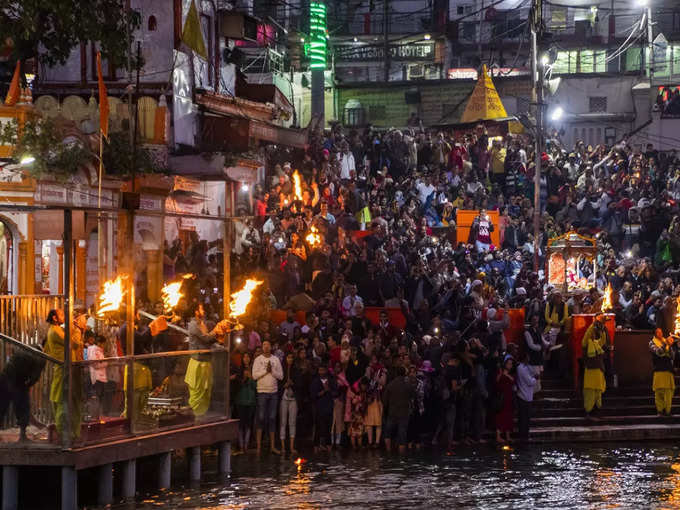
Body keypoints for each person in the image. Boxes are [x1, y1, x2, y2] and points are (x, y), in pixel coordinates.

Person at [44, 308, 83, 441]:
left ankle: (74, 434)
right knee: (62, 402)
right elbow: (75, 344)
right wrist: (78, 329)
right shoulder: (54, 331)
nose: (64, 316)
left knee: (74, 402)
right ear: (54, 318)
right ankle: (65, 435)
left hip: (69, 370)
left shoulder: (57, 330)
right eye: (61, 314)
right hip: (63, 371)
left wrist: (73, 326)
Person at [185, 303, 227, 417]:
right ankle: (195, 417)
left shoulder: (203, 323)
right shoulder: (193, 325)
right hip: (198, 363)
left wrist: (219, 336)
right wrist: (216, 330)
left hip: (206, 362)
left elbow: (210, 340)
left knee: (205, 392)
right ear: (196, 312)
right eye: (201, 309)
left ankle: (201, 416)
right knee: (198, 391)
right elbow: (206, 338)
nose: (204, 311)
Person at [0, 344, 46, 442]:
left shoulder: (23, 348)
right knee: (23, 407)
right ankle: (22, 436)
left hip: (4, 376)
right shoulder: (42, 357)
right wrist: (27, 386)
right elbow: (35, 377)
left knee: (1, 407)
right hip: (18, 380)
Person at [252, 340, 284, 454]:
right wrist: (266, 371)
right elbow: (254, 376)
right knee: (260, 418)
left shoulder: (275, 360)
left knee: (272, 418)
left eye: (268, 345)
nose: (266, 347)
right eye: (264, 345)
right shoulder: (258, 360)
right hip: (262, 392)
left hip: (273, 392)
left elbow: (281, 376)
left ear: (271, 347)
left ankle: (272, 446)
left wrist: (272, 371)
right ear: (262, 347)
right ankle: (259, 447)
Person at [383, 366, 415, 454]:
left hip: (392, 413)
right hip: (404, 414)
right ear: (404, 374)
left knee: (388, 433)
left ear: (396, 373)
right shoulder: (408, 385)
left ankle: (388, 452)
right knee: (402, 435)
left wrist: (386, 411)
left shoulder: (390, 385)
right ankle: (401, 457)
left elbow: (385, 401)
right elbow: (413, 396)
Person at [582, 315, 609, 418]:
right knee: (590, 392)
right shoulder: (586, 344)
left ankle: (597, 411)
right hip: (590, 371)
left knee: (598, 392)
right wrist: (594, 325)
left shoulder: (597, 343)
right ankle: (588, 411)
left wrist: (602, 328)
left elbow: (603, 340)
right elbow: (586, 337)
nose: (593, 334)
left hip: (599, 371)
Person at [310, 362, 337, 452]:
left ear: (326, 370)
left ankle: (328, 445)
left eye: (323, 370)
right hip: (319, 407)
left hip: (329, 407)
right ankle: (316, 446)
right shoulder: (315, 381)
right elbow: (313, 395)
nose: (321, 372)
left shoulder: (331, 380)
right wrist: (323, 391)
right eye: (320, 370)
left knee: (328, 427)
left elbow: (336, 393)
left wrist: (329, 390)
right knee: (318, 427)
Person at [649, 328, 676, 416]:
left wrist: (671, 345)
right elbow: (658, 352)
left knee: (668, 393)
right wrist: (665, 344)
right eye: (658, 332)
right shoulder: (652, 343)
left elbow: (672, 356)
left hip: (668, 369)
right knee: (659, 392)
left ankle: (668, 411)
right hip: (659, 369)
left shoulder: (665, 340)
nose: (660, 333)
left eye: (661, 332)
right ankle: (660, 410)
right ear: (655, 334)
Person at [233, 362, 256, 454]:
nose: (246, 372)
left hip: (250, 403)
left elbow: (255, 386)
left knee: (248, 425)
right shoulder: (239, 379)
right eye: (245, 370)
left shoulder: (252, 379)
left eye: (248, 370)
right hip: (240, 403)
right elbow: (237, 387)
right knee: (241, 425)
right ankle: (241, 446)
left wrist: (250, 378)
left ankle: (246, 446)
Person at [516, 351, 539, 441]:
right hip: (523, 396)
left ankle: (525, 435)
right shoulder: (521, 368)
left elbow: (532, 372)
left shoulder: (526, 367)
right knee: (523, 419)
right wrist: (535, 378)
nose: (529, 359)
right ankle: (523, 436)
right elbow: (530, 381)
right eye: (528, 357)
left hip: (528, 396)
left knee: (527, 418)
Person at [279, 351, 299, 454]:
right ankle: (283, 447)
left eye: (291, 357)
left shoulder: (296, 370)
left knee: (292, 422)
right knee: (283, 422)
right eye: (288, 357)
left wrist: (293, 384)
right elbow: (278, 384)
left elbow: (300, 384)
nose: (290, 359)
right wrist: (284, 386)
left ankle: (291, 447)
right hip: (283, 398)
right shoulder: (281, 369)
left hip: (293, 398)